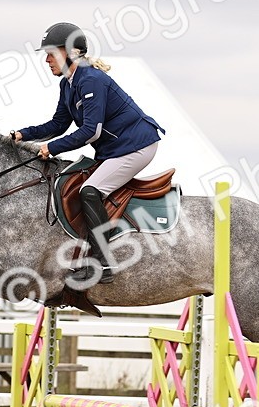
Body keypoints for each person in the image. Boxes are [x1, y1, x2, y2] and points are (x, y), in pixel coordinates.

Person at [13, 21, 165, 284]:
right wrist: (22, 135)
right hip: (116, 149)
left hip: (137, 145)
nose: (47, 60)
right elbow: (58, 125)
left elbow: (90, 132)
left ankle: (103, 264)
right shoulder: (68, 84)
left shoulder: (91, 79)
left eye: (51, 53)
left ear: (70, 52)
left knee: (89, 190)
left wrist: (51, 147)